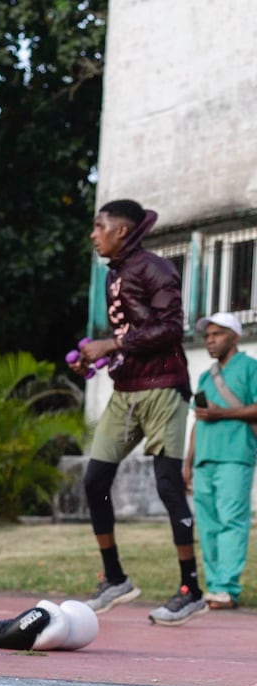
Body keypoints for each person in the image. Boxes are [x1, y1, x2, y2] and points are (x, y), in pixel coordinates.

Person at [77, 200, 201, 623]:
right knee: (95, 481)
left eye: (100, 226)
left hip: (165, 387)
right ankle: (115, 578)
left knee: (168, 487)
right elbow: (131, 333)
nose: (94, 234)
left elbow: (171, 327)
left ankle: (191, 588)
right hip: (126, 389)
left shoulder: (156, 268)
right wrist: (94, 358)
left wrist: (110, 344)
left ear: (123, 231)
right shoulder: (114, 274)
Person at [190, 313, 255, 611]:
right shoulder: (205, 376)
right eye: (207, 336)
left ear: (235, 336)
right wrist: (188, 462)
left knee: (231, 521)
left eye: (217, 334)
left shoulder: (251, 368)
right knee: (207, 525)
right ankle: (214, 587)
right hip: (204, 458)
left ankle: (227, 588)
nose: (210, 340)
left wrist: (222, 414)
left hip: (235, 456)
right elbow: (198, 419)